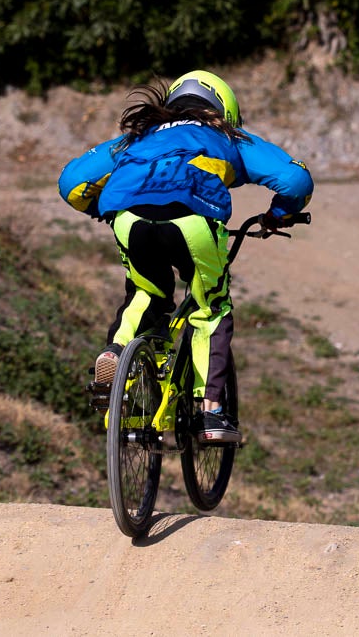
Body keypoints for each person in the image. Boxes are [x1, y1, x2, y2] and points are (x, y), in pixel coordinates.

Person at [58, 70, 313, 443]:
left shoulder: (136, 137)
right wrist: (278, 215)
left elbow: (71, 182)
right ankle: (210, 412)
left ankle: (117, 353)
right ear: (224, 110)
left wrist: (104, 205)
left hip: (129, 217)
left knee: (146, 293)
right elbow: (294, 180)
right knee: (210, 306)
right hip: (192, 216)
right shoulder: (228, 136)